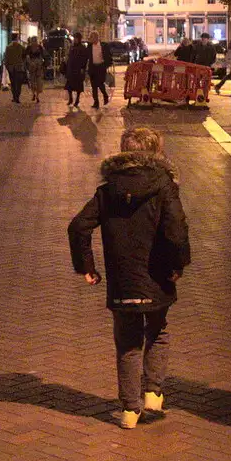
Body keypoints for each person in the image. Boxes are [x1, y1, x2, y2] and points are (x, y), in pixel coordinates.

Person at [69, 127, 191, 429]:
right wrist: (179, 264)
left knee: (127, 341)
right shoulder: (164, 186)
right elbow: (177, 230)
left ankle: (129, 409)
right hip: (158, 274)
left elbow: (78, 227)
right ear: (157, 152)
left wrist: (86, 265)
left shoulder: (108, 190)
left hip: (123, 278)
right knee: (158, 329)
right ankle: (152, 390)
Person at [85, 29, 112, 109]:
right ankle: (96, 102)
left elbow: (108, 56)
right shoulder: (89, 46)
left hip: (101, 67)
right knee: (94, 86)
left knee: (100, 83)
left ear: (96, 37)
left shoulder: (104, 45)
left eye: (91, 37)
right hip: (93, 68)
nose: (90, 39)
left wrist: (106, 65)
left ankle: (105, 95)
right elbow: (87, 57)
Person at [64, 32, 89, 108]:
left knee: (78, 86)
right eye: (74, 38)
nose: (75, 40)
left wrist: (82, 68)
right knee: (69, 85)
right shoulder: (72, 47)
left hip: (78, 69)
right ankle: (71, 99)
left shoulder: (82, 47)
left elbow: (84, 59)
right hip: (71, 68)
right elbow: (69, 56)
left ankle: (77, 100)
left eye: (76, 38)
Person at [2, 37, 28, 104]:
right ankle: (17, 97)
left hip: (11, 68)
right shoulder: (21, 47)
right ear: (17, 40)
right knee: (19, 84)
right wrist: (23, 63)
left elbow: (6, 58)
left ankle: (14, 96)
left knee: (13, 83)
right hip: (19, 67)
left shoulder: (8, 47)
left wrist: (7, 66)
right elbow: (25, 56)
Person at [26, 36, 46, 103]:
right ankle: (35, 95)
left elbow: (44, 56)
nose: (34, 42)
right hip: (34, 66)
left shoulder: (39, 47)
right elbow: (26, 56)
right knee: (35, 81)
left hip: (36, 66)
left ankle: (35, 95)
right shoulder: (32, 47)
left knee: (36, 81)